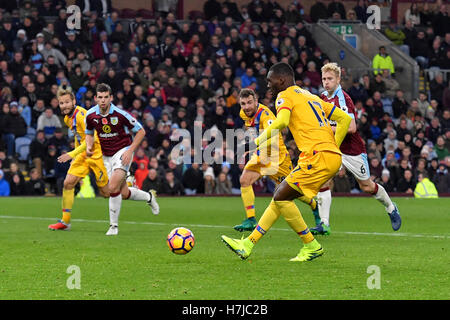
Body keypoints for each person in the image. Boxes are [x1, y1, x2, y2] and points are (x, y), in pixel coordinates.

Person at [221, 62, 352, 262]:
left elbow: (281, 122)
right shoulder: (311, 96)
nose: (268, 86)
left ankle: (311, 245)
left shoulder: (285, 96)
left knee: (281, 197)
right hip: (330, 157)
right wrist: (333, 145)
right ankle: (247, 244)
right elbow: (343, 118)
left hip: (316, 156)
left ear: (281, 80)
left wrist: (257, 141)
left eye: (270, 81)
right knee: (280, 197)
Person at [313, 63, 401, 235]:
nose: (326, 82)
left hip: (352, 149)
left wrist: (325, 128)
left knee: (366, 186)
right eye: (324, 79)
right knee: (323, 181)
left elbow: (351, 127)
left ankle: (391, 207)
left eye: (330, 78)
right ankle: (324, 224)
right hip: (333, 147)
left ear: (338, 79)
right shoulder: (322, 98)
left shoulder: (344, 99)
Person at [234, 88, 317, 232]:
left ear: (256, 101)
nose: (246, 107)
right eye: (243, 104)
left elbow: (272, 132)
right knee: (244, 180)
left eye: (249, 103)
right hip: (261, 155)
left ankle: (314, 205)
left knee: (291, 192)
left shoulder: (266, 115)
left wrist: (250, 145)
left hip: (277, 159)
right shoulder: (243, 114)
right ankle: (251, 219)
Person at [85, 83, 159, 236]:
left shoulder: (120, 114)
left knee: (112, 187)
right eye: (100, 97)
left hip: (122, 152)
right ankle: (149, 197)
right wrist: (88, 146)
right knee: (123, 193)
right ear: (95, 99)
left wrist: (130, 150)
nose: (103, 100)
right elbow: (88, 132)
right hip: (106, 156)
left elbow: (141, 132)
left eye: (106, 97)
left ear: (111, 98)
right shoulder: (91, 115)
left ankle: (113, 227)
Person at [48, 89, 110, 231]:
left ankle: (129, 185)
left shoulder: (82, 115)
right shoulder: (67, 118)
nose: (64, 105)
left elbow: (92, 138)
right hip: (82, 154)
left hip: (96, 153)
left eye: (67, 102)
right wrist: (76, 155)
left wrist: (72, 153)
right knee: (68, 183)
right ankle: (65, 221)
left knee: (106, 193)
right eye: (61, 103)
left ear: (74, 101)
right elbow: (79, 137)